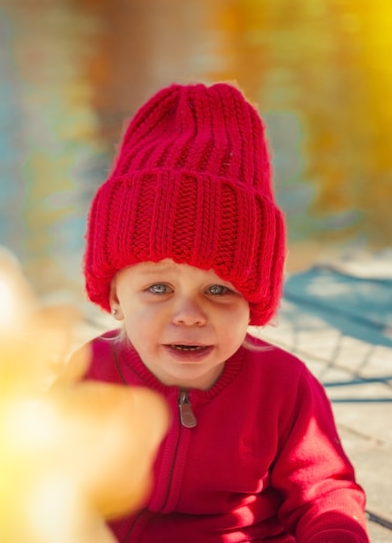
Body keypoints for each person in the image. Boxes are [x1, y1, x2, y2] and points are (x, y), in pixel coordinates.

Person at [83, 82, 370, 542]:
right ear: (114, 295)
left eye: (219, 289)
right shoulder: (90, 375)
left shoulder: (282, 386)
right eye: (158, 287)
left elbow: (324, 491)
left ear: (255, 300)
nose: (190, 314)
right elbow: (46, 483)